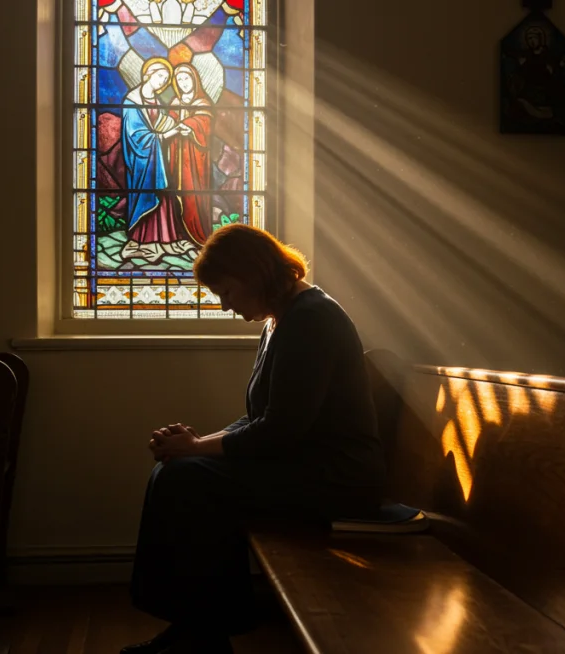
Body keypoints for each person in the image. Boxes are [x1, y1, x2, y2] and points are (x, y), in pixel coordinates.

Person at [122, 224, 386, 653]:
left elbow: (280, 431)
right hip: (303, 463)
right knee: (174, 471)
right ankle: (197, 629)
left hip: (339, 477)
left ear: (254, 274)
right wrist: (192, 444)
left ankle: (200, 635)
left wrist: (196, 448)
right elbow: (259, 419)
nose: (225, 306)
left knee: (186, 481)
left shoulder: (312, 320)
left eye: (226, 292)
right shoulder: (282, 319)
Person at [119, 57, 198, 265]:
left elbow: (161, 122)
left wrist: (174, 125)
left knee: (165, 197)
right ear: (148, 75)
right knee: (149, 195)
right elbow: (136, 136)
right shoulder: (132, 101)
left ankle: (167, 238)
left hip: (159, 159)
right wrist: (167, 133)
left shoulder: (157, 101)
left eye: (165, 79)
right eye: (160, 76)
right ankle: (142, 240)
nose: (162, 82)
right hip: (141, 161)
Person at [156, 63, 215, 246]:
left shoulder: (203, 103)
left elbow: (204, 125)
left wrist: (189, 126)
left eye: (186, 78)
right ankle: (179, 234)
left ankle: (197, 235)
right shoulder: (175, 102)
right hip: (175, 155)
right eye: (179, 80)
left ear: (194, 80)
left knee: (192, 194)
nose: (183, 83)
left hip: (195, 159)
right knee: (175, 193)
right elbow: (169, 123)